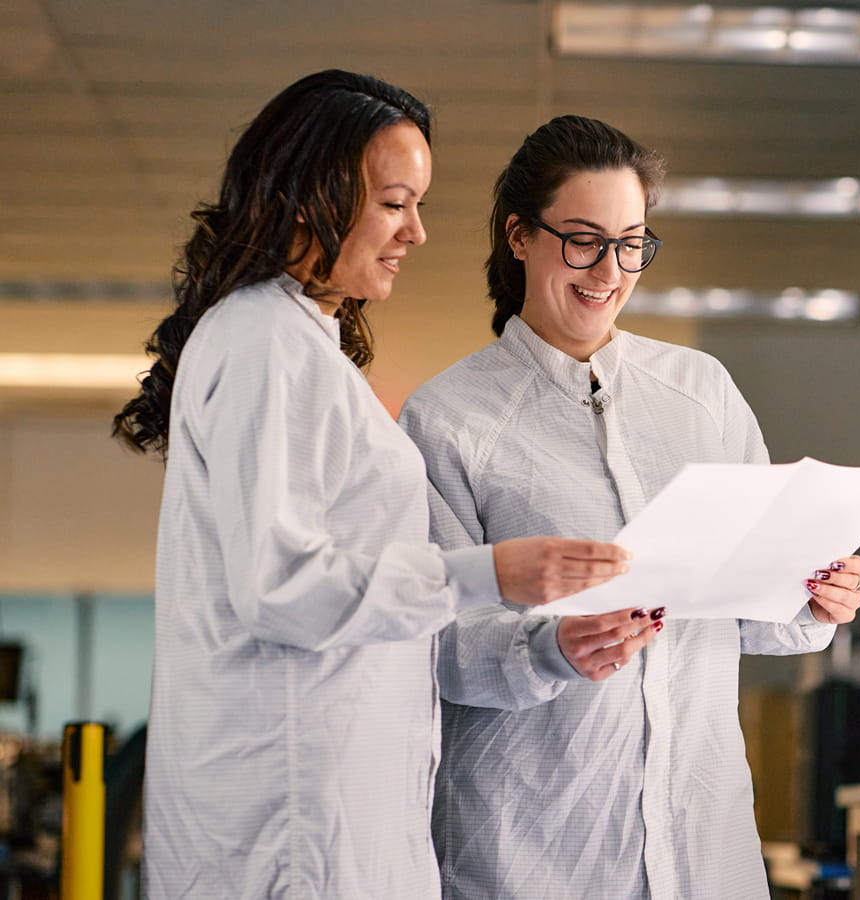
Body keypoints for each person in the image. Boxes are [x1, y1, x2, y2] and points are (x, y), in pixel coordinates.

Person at [112, 72, 638, 899]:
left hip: (325, 820)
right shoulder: (262, 343)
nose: (417, 232)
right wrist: (488, 573)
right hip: (289, 835)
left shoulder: (298, 343)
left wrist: (531, 637)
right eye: (396, 203)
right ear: (312, 195)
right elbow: (282, 586)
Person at [398, 115, 860, 899]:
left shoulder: (701, 394)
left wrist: (816, 595)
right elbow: (434, 647)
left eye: (630, 243)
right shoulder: (448, 419)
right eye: (582, 240)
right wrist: (552, 650)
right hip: (533, 854)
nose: (608, 271)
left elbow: (753, 611)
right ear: (519, 236)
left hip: (700, 848)